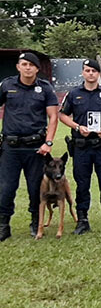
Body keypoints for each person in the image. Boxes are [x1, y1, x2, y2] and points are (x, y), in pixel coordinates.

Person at [59, 59, 101, 235]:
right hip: (82, 146)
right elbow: (62, 115)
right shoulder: (73, 94)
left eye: (94, 71)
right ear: (82, 73)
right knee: (82, 184)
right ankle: (82, 220)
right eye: (87, 70)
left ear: (98, 74)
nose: (91, 74)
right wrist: (78, 127)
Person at [0, 52, 59, 241]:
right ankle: (3, 225)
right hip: (11, 147)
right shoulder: (7, 85)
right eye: (24, 64)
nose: (27, 68)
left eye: (31, 65)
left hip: (36, 147)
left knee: (35, 188)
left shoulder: (45, 88)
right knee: (7, 187)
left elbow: (53, 117)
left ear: (37, 68)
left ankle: (36, 222)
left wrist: (48, 142)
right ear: (18, 66)